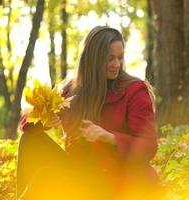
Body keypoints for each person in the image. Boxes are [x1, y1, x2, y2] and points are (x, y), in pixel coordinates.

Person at [16, 26, 159, 200]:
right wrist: (45, 121)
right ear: (93, 59)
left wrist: (109, 137)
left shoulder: (134, 90)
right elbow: (26, 122)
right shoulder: (71, 90)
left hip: (117, 182)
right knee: (30, 139)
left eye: (120, 58)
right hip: (81, 176)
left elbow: (149, 146)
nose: (117, 64)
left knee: (44, 177)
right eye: (110, 59)